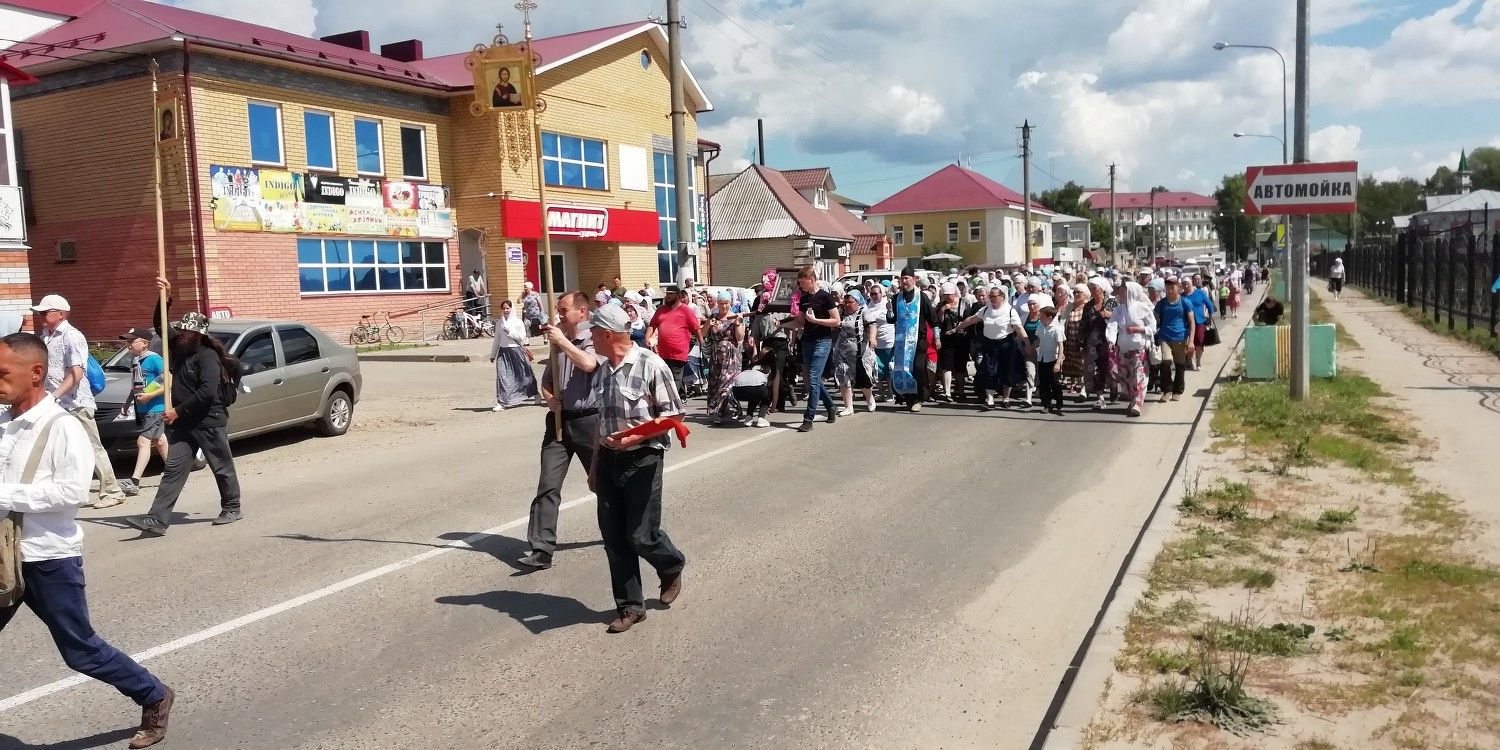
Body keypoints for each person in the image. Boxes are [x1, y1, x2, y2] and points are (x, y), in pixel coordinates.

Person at [0, 332, 175, 749]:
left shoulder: (63, 427)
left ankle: (154, 695)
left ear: (35, 373)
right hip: (4, 554)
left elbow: (71, 493)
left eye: (2, 374)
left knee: (80, 650)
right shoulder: (4, 424)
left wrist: (4, 495)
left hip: (48, 558)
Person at [552, 305, 685, 634]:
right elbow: (602, 424)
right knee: (614, 538)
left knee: (641, 536)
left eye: (594, 333)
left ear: (608, 334)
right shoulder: (603, 371)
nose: (590, 338)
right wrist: (594, 466)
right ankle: (630, 607)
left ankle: (671, 564)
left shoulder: (650, 365)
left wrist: (633, 439)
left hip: (643, 459)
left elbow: (674, 416)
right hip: (610, 461)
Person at [125, 312, 242, 535]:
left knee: (221, 467)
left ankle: (232, 507)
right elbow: (160, 325)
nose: (182, 334)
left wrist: (177, 411)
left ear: (198, 334)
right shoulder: (178, 349)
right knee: (173, 470)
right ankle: (157, 519)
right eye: (181, 330)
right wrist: (165, 300)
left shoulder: (207, 356)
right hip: (183, 424)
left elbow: (207, 392)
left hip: (208, 422)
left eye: (187, 331)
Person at [521, 292, 597, 570]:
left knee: (603, 483)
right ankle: (541, 548)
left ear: (582, 312)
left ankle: (623, 532)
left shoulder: (594, 339)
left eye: (564, 310)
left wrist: (562, 342)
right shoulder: (557, 343)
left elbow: (589, 364)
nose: (559, 315)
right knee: (548, 485)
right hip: (558, 422)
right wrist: (551, 399)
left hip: (590, 421)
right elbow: (547, 383)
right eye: (558, 310)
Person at [32, 294, 126, 510]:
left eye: (45, 312)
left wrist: (54, 395)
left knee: (92, 446)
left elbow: (76, 373)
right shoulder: (45, 337)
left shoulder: (72, 336)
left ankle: (113, 490)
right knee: (56, 448)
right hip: (54, 403)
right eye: (39, 313)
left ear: (61, 314)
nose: (40, 316)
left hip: (75, 403)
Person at [117, 328, 168, 498]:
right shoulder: (135, 361)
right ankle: (174, 472)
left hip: (156, 407)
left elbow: (168, 381)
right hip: (142, 408)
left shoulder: (154, 359)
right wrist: (127, 402)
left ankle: (134, 482)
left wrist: (150, 396)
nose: (128, 345)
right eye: (127, 341)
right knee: (160, 441)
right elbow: (136, 386)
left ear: (145, 343)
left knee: (143, 441)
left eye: (132, 341)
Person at [956, 286, 1026, 410]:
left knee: (1006, 372)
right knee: (989, 371)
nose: (992, 298)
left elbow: (1019, 328)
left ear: (1002, 297)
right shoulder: (985, 310)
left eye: (994, 296)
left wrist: (1027, 343)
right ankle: (990, 400)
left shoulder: (1010, 310)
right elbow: (972, 319)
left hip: (1006, 344)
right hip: (989, 344)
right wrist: (957, 328)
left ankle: (1006, 399)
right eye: (991, 296)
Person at [791, 267, 840, 432]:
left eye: (802, 282)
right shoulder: (804, 298)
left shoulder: (825, 297)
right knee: (813, 380)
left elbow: (836, 321)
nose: (801, 286)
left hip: (823, 341)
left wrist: (817, 320)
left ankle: (808, 418)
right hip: (807, 341)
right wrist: (782, 324)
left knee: (812, 378)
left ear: (811, 279)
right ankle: (831, 406)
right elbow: (800, 321)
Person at [887, 267, 938, 412]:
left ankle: (920, 397)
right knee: (904, 368)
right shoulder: (897, 298)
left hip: (918, 339)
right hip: (901, 341)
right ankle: (908, 398)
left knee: (918, 367)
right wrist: (889, 309)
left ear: (914, 279)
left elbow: (933, 319)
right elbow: (891, 319)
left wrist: (937, 337)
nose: (904, 281)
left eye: (907, 278)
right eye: (902, 279)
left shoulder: (921, 297)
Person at [646, 285, 703, 393]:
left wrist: (701, 342)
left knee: (674, 382)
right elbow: (652, 324)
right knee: (666, 379)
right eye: (667, 294)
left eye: (670, 294)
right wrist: (647, 337)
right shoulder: (661, 310)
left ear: (678, 296)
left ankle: (673, 399)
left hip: (678, 353)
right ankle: (679, 397)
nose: (667, 297)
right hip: (663, 353)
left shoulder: (685, 310)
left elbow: (696, 328)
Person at [1113, 282, 1157, 418]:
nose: (1120, 294)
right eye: (1120, 291)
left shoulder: (1143, 308)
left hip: (1139, 349)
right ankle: (1132, 399)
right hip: (1123, 350)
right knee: (1126, 378)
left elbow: (1153, 327)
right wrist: (1110, 340)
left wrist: (1139, 329)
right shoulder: (1118, 310)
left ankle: (1138, 403)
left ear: (1131, 292)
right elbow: (1112, 326)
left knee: (1139, 376)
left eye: (1123, 291)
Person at [488, 300, 538, 411]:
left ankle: (535, 393)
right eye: (504, 308)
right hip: (503, 352)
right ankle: (502, 402)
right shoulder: (499, 323)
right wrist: (493, 354)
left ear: (511, 309)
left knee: (524, 376)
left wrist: (511, 332)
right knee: (502, 377)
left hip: (516, 351)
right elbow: (497, 339)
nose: (506, 310)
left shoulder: (518, 322)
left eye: (508, 308)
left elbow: (523, 338)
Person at [832, 291, 876, 415]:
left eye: (850, 302)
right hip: (842, 352)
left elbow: (872, 326)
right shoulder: (841, 312)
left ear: (858, 302)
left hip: (860, 352)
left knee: (863, 378)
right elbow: (833, 323)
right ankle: (849, 407)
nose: (847, 305)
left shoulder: (864, 312)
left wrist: (872, 338)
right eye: (846, 302)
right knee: (843, 376)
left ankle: (869, 398)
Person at [704, 292, 744, 425]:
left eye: (726, 303)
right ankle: (723, 412)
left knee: (727, 384)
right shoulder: (713, 317)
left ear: (730, 303)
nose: (724, 306)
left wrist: (737, 324)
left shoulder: (735, 317)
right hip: (716, 357)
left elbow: (740, 337)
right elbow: (702, 333)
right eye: (721, 303)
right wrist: (708, 324)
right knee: (716, 383)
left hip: (731, 357)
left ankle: (724, 411)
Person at [1154, 278, 1195, 403]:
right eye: (1167, 288)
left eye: (1172, 288)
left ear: (1178, 287)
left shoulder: (1185, 302)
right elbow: (1153, 320)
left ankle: (1177, 391)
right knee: (1165, 362)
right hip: (1164, 337)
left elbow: (1192, 322)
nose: (1170, 291)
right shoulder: (1161, 303)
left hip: (1180, 338)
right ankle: (1167, 390)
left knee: (1180, 365)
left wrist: (1191, 341)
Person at [1081, 277, 1116, 411]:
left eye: (1094, 287)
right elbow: (1083, 324)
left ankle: (1113, 385)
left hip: (1108, 341)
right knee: (1095, 369)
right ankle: (1100, 397)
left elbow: (1119, 320)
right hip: (1091, 343)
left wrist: (1109, 315)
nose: (1091, 290)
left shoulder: (1112, 302)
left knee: (1109, 369)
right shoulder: (1088, 305)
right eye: (1090, 287)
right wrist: (1081, 341)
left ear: (1102, 289)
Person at [935, 282, 968, 403]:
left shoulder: (964, 303)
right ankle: (947, 392)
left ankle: (961, 390)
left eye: (949, 295)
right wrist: (943, 310)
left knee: (960, 365)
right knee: (946, 364)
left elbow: (968, 318)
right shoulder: (940, 305)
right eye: (945, 295)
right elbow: (938, 322)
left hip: (961, 338)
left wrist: (961, 326)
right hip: (947, 338)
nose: (948, 297)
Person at [1034, 300, 1067, 415]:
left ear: (1049, 317)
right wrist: (1031, 347)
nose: (1040, 318)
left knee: (1055, 383)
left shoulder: (1056, 329)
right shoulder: (1040, 327)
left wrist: (1058, 362)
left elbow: (1061, 346)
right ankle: (1046, 404)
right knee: (1043, 383)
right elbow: (1038, 341)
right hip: (1042, 358)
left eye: (1042, 316)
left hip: (1053, 359)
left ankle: (1059, 404)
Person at [1181, 277, 1217, 370]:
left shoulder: (1199, 293)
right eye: (1184, 284)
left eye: (1187, 283)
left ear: (1191, 284)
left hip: (1199, 321)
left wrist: (1209, 315)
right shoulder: (1181, 296)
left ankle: (1198, 361)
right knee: (1189, 343)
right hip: (1186, 323)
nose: (1186, 286)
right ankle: (1191, 360)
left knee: (1200, 342)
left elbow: (1209, 304)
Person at [1061, 284, 1089, 396]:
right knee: (1073, 365)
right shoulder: (1069, 306)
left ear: (1085, 294)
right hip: (1069, 340)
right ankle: (1073, 384)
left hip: (1082, 341)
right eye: (1074, 292)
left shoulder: (1088, 306)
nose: (1076, 294)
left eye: (1079, 292)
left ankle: (1084, 388)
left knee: (1083, 365)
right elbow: (1063, 321)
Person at [732, 352, 773, 428]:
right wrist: (768, 407)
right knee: (768, 392)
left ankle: (749, 417)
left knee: (754, 393)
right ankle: (761, 418)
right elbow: (770, 385)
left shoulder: (751, 365)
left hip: (737, 390)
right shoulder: (768, 368)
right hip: (756, 388)